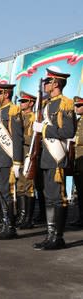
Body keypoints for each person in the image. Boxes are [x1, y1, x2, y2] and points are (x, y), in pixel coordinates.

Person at [32, 68, 75, 250]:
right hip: (46, 158)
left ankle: (58, 237)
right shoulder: (47, 104)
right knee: (49, 198)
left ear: (56, 83)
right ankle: (50, 235)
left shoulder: (65, 103)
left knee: (57, 199)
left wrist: (44, 129)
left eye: (48, 82)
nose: (45, 85)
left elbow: (68, 132)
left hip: (56, 159)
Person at [0, 82, 23, 240]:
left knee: (8, 193)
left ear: (6, 94)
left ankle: (10, 228)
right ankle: (5, 225)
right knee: (2, 193)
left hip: (8, 159)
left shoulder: (13, 110)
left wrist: (17, 161)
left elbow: (17, 137)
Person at [17, 91, 37, 229]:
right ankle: (22, 216)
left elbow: (35, 140)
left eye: (24, 101)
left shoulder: (34, 118)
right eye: (21, 101)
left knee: (28, 186)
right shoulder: (18, 117)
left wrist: (20, 137)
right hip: (18, 156)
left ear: (31, 103)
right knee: (20, 187)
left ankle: (28, 219)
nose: (21, 103)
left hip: (27, 155)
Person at [71, 96, 83, 226]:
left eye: (79, 105)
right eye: (76, 105)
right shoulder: (79, 120)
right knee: (80, 192)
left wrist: (76, 140)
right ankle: (81, 217)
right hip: (78, 163)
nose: (76, 108)